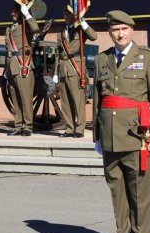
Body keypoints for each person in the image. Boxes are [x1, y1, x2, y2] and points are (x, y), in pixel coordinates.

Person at [93, 10, 150, 233]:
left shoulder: (147, 58)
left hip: (137, 137)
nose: (119, 34)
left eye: (123, 29)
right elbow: (99, 101)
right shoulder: (102, 60)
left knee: (140, 195)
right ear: (110, 32)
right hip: (111, 137)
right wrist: (97, 136)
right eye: (115, 30)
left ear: (131, 30)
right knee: (118, 193)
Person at [54, 5, 97, 138]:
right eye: (64, 14)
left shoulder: (80, 30)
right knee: (65, 101)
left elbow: (94, 36)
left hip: (75, 68)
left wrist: (83, 22)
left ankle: (79, 129)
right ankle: (69, 128)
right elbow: (58, 53)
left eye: (69, 14)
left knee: (78, 101)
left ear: (74, 16)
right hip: (63, 69)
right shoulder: (60, 33)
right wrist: (55, 72)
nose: (66, 16)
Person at [5, 2, 39, 136]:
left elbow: (35, 29)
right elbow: (8, 49)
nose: (12, 13)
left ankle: (28, 126)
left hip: (22, 65)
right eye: (12, 11)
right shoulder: (9, 28)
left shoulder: (25, 25)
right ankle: (18, 125)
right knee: (15, 97)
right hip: (11, 66)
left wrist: (27, 14)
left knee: (25, 97)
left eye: (15, 11)